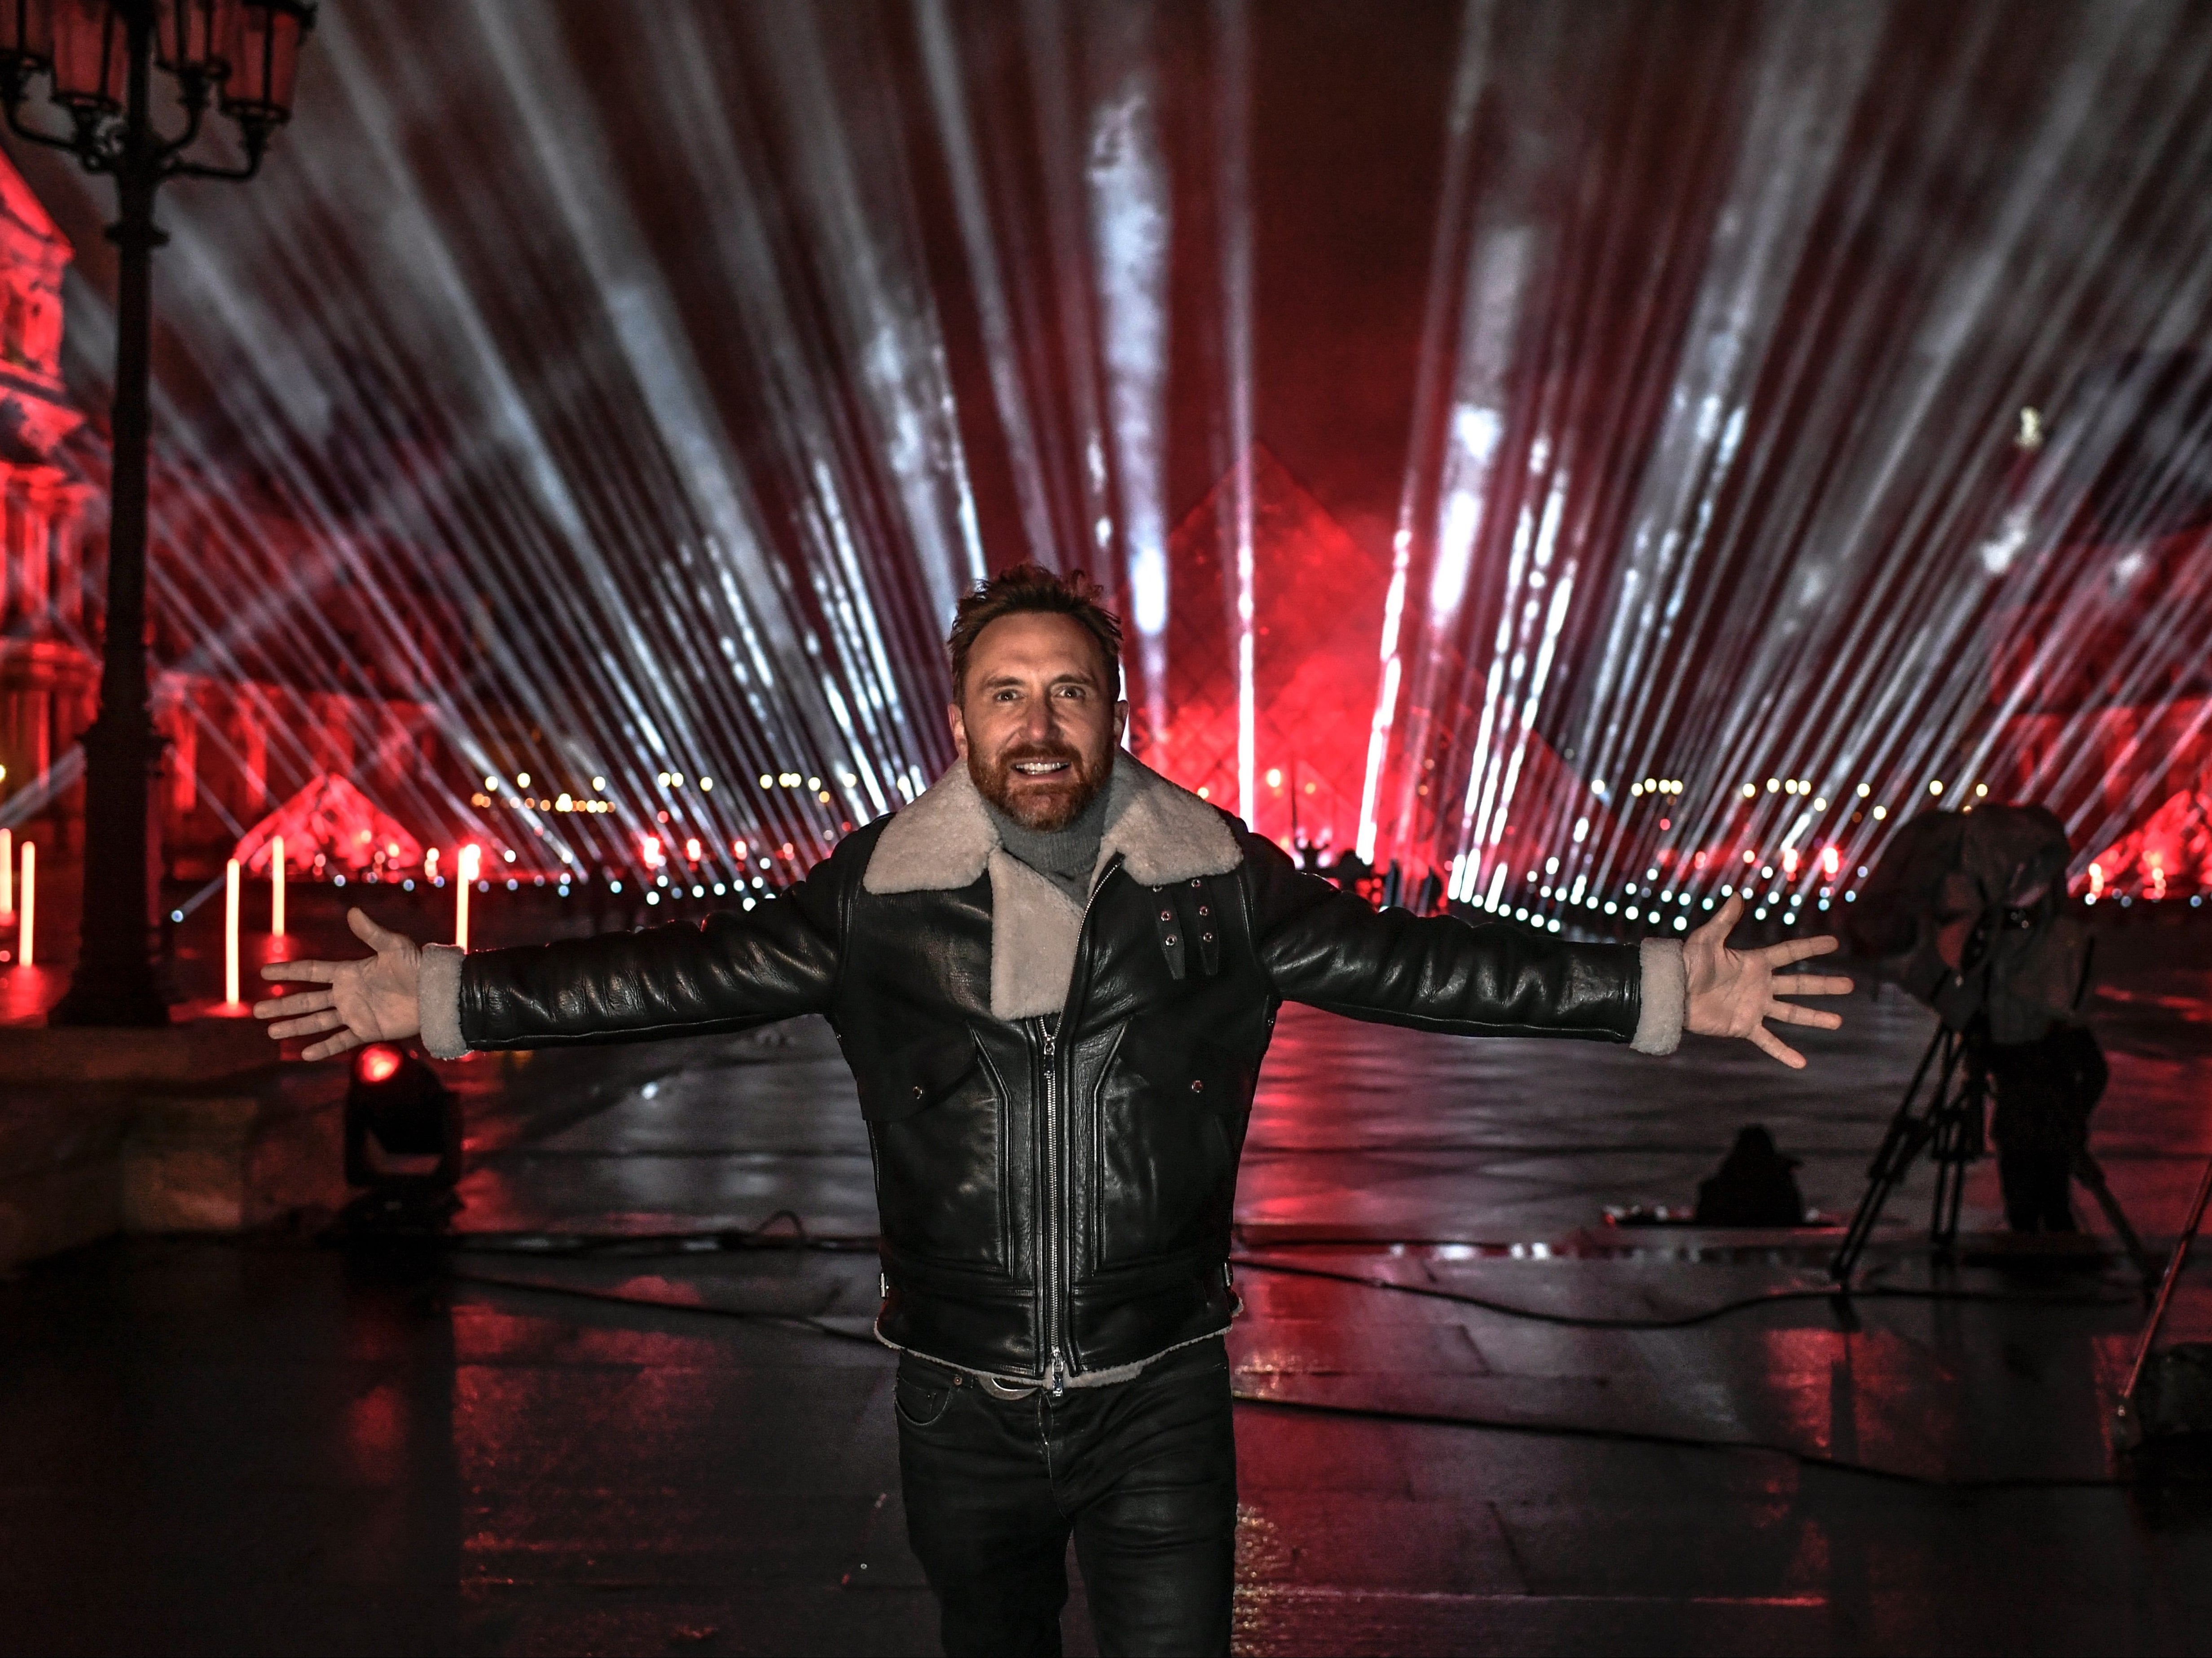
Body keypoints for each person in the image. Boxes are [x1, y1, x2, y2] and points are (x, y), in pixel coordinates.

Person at [256, 564, 1852, 1657]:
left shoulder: (1216, 888)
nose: (1037, 723)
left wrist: (1657, 989)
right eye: (1005, 693)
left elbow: (1428, 968)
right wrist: (450, 997)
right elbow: (678, 976)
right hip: (954, 1397)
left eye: (1068, 692)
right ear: (958, 724)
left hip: (1159, 1387)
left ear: (1115, 718)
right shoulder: (876, 899)